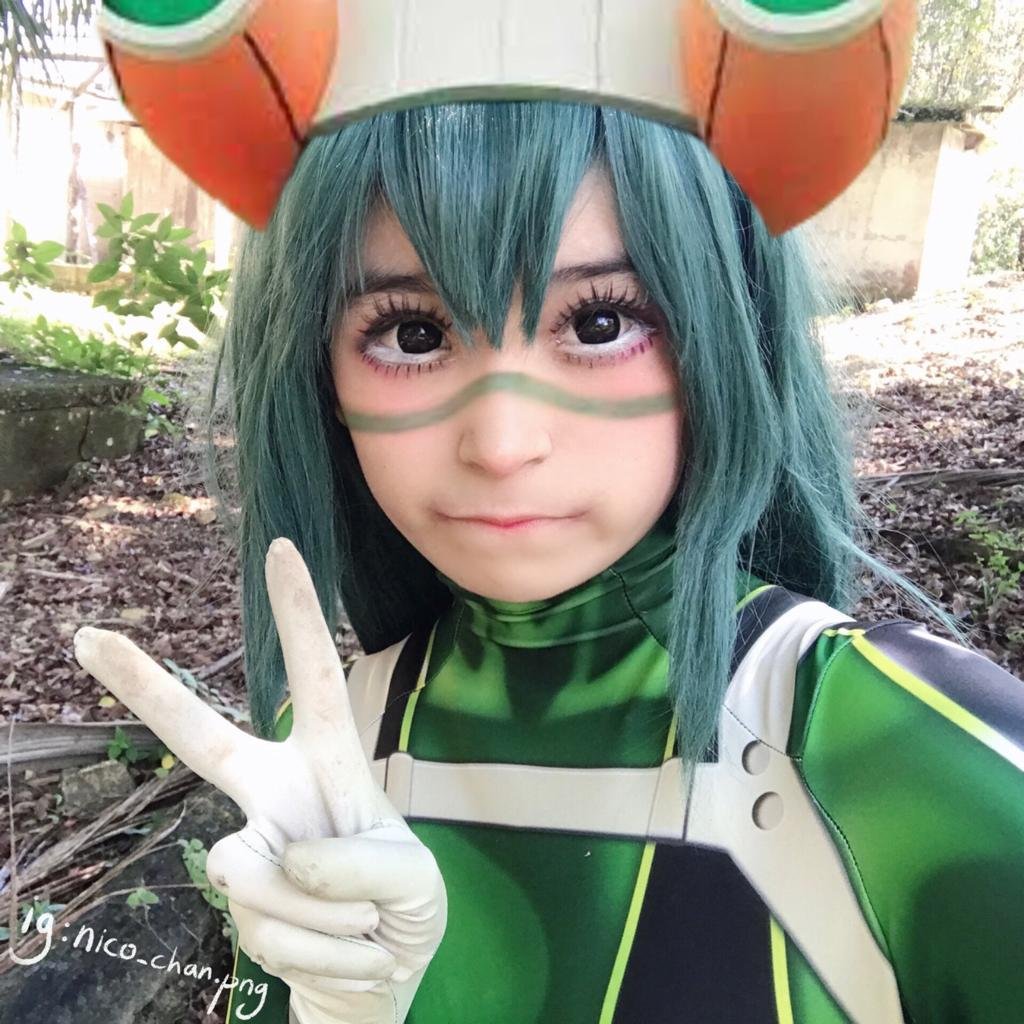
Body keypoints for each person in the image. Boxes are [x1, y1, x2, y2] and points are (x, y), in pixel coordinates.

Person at [77, 4, 1024, 1023]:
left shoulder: (893, 747)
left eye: (600, 320)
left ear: (724, 330)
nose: (500, 442)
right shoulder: (331, 747)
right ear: (320, 375)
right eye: (410, 333)